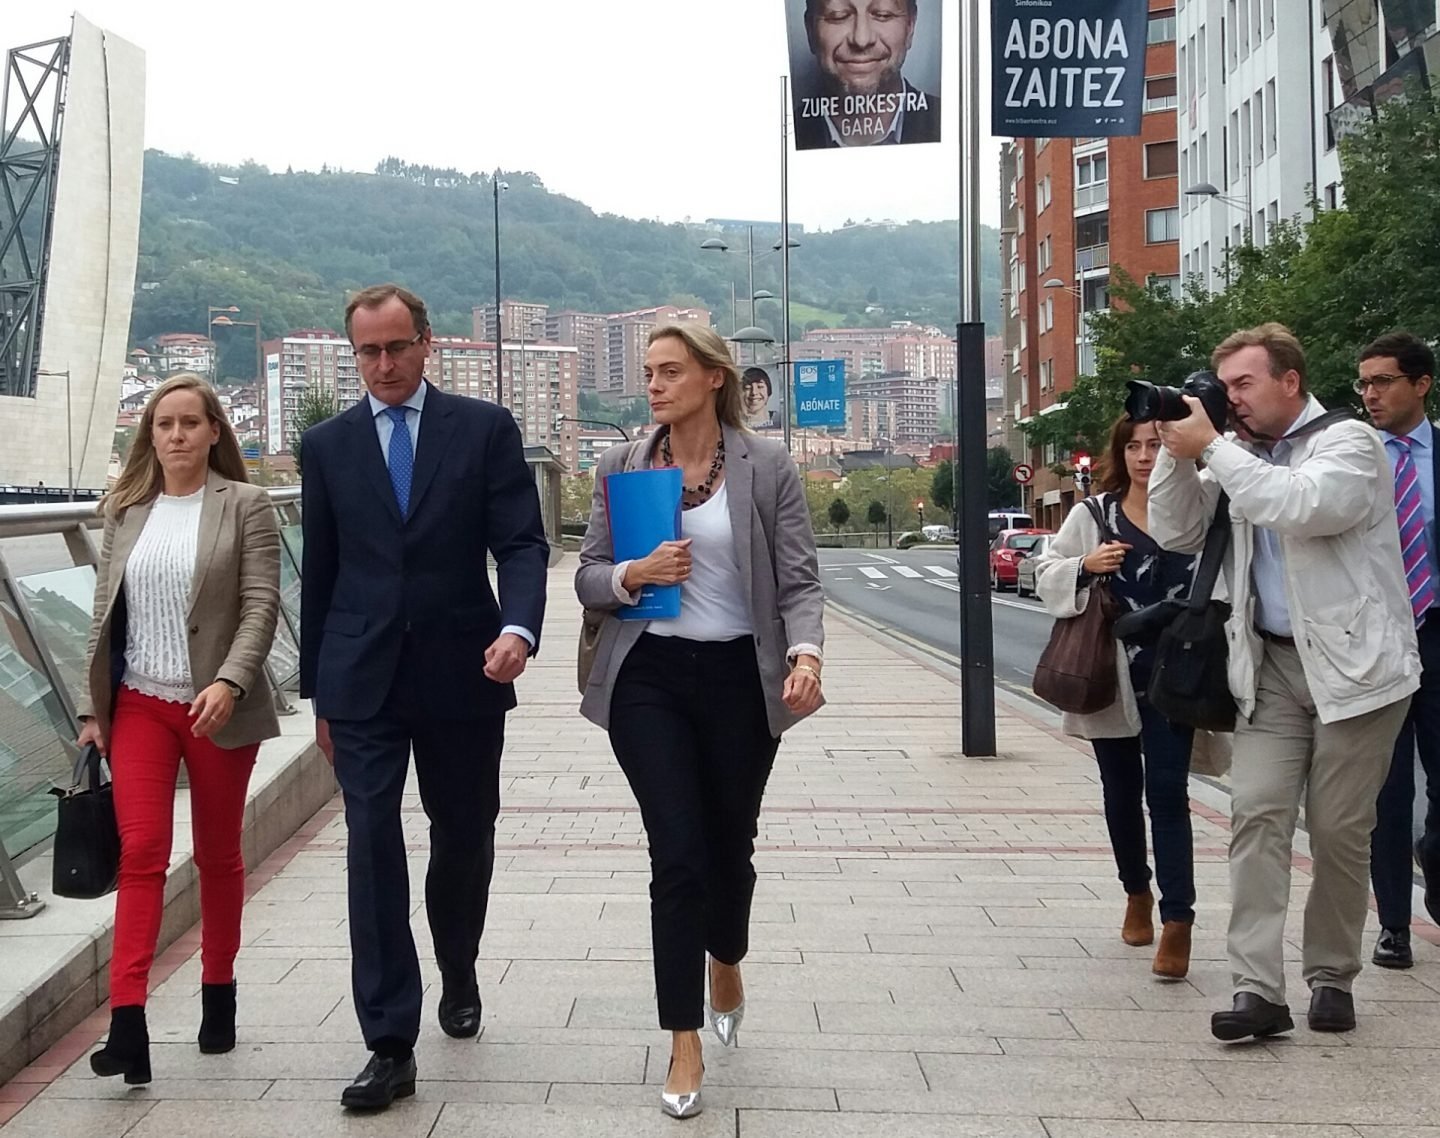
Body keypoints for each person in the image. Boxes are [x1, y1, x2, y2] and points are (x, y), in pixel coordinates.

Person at [299, 284, 548, 1111]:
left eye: (396, 347)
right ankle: (389, 1041)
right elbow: (322, 575)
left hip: (465, 669)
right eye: (367, 352)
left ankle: (460, 961)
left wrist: (520, 628)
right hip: (362, 678)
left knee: (464, 834)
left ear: (427, 344)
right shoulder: (326, 446)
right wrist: (318, 696)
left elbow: (519, 542)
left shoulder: (481, 430)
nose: (383, 364)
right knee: (372, 844)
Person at [575, 324, 825, 1119]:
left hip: (737, 678)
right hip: (647, 675)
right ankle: (682, 1037)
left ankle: (728, 955)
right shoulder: (623, 465)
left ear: (714, 378)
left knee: (730, 848)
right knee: (677, 853)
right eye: (648, 372)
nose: (654, 384)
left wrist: (807, 655)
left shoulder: (767, 467)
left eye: (671, 371)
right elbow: (584, 576)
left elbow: (799, 580)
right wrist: (630, 574)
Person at [1149, 323, 1419, 1042]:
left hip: (1359, 671)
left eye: (1243, 385)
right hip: (1266, 665)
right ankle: (1255, 989)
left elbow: (1302, 506)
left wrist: (1213, 448)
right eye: (1225, 387)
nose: (1231, 400)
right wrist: (1180, 452)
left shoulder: (1350, 443)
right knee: (1257, 815)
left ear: (1290, 381)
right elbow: (1174, 530)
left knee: (1337, 831)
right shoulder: (1236, 455)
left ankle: (1332, 973)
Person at [80, 374, 281, 1086]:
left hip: (217, 707)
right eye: (163, 424)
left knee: (218, 854)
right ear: (149, 435)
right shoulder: (125, 510)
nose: (175, 436)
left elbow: (261, 605)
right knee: (142, 853)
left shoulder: (247, 505)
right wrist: (89, 710)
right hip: (139, 704)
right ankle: (126, 1023)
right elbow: (104, 612)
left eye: (189, 423)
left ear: (213, 431)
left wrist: (229, 681)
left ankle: (218, 992)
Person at [1034, 416, 1202, 979]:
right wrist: (1084, 564)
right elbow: (1046, 571)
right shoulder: (1094, 514)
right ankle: (1137, 891)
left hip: (1177, 675)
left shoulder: (1196, 506)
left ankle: (1179, 920)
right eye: (1133, 446)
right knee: (1120, 793)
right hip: (1111, 677)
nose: (1143, 456)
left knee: (1169, 793)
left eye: (1154, 444)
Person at [1357, 331, 1440, 969]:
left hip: (1437, 633)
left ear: (1421, 384)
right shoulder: (1355, 458)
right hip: (1379, 639)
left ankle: (1433, 863)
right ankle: (1394, 926)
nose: (1369, 394)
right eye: (1364, 383)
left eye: (1383, 381)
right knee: (1387, 794)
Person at [793, 0, 941, 148]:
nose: (861, 40)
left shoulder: (950, 122)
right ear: (810, 30)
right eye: (838, 16)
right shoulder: (783, 135)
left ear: (910, 27)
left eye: (883, 14)